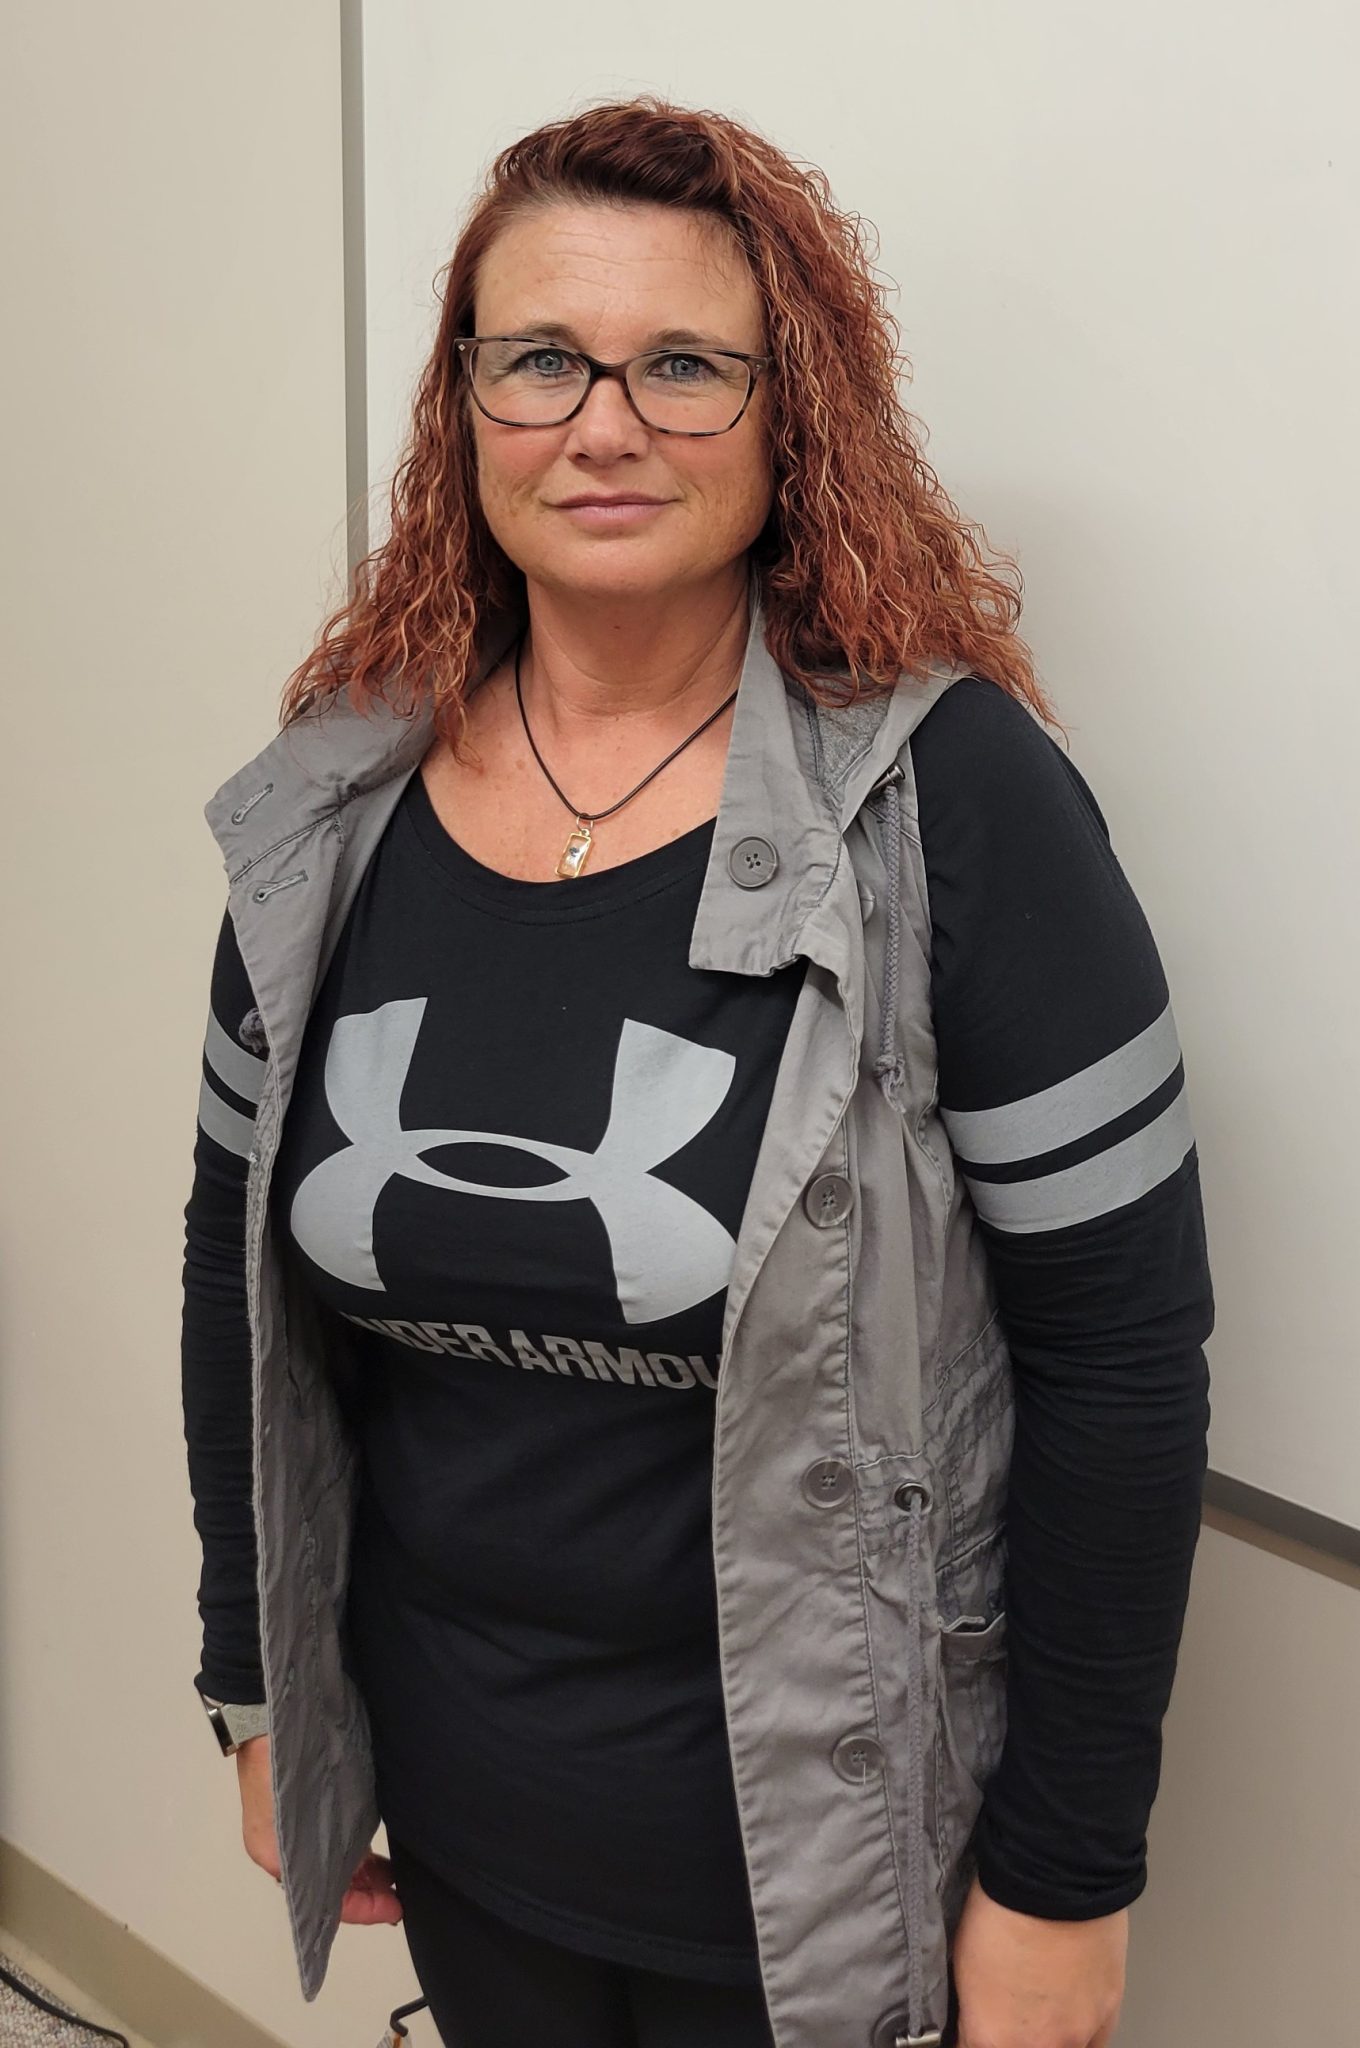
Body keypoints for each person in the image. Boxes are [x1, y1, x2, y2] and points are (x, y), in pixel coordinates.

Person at [180, 96, 1214, 2048]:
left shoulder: (952, 801)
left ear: (786, 412)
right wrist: (262, 1684)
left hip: (823, 1863)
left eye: (681, 364)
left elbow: (1120, 1363)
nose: (603, 424)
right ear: (465, 403)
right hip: (465, 1804)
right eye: (539, 360)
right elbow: (228, 1273)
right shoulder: (332, 802)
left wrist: (1065, 1873)